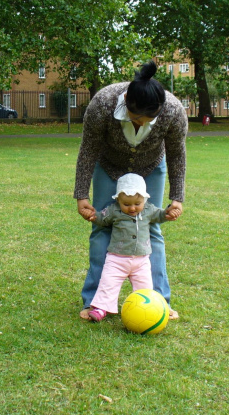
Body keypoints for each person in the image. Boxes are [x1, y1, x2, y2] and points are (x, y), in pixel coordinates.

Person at [75, 60, 188, 320]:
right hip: (110, 165)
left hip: (151, 165)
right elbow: (88, 150)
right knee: (101, 226)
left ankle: (158, 301)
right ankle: (95, 302)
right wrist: (82, 195)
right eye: (138, 119)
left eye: (150, 120)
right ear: (126, 100)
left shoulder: (173, 110)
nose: (142, 124)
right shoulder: (102, 104)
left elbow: (177, 154)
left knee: (152, 228)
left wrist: (177, 197)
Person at [82, 173, 181, 322]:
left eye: (137, 203)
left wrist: (169, 212)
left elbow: (161, 215)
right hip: (116, 259)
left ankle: (147, 310)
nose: (132, 208)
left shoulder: (149, 210)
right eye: (126, 204)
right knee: (108, 283)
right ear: (118, 200)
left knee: (145, 288)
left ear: (145, 199)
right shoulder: (113, 210)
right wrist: (92, 215)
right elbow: (102, 218)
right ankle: (101, 308)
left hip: (141, 261)